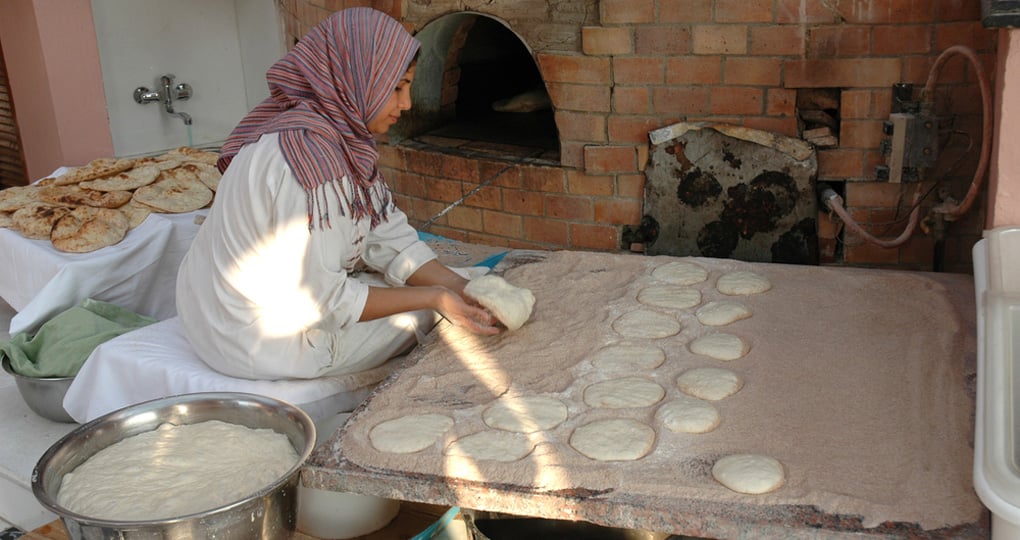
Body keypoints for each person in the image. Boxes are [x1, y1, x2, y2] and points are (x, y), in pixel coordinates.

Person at [175, 7, 499, 380]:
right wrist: (436, 297)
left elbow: (383, 233)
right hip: (255, 339)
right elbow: (321, 303)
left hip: (209, 312)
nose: (407, 104)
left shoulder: (327, 133)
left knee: (456, 285)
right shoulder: (312, 166)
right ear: (356, 79)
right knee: (434, 312)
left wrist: (458, 285)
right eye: (397, 87)